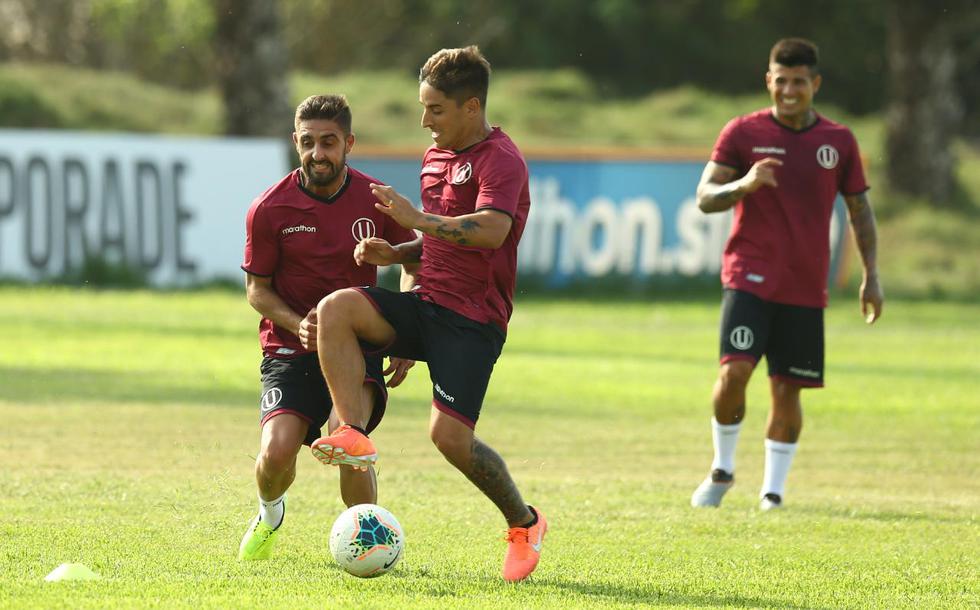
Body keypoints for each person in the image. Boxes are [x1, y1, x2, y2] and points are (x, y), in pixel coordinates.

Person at [307, 46, 547, 582]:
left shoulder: (501, 160)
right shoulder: (434, 157)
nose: (425, 120)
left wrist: (415, 220)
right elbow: (438, 238)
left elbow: (489, 231)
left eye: (435, 109)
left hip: (472, 321)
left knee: (449, 440)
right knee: (336, 310)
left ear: (471, 106)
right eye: (423, 107)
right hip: (427, 304)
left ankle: (524, 523)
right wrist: (397, 256)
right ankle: (351, 430)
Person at [690, 38, 884, 511]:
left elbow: (859, 210)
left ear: (814, 83)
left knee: (787, 389)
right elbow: (705, 196)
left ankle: (773, 494)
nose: (790, 90)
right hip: (749, 276)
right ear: (769, 82)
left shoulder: (838, 142)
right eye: (782, 81)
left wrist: (871, 275)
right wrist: (745, 183)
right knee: (735, 371)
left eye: (800, 82)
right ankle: (722, 467)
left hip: (804, 284)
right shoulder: (741, 132)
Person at [238, 94, 419, 560]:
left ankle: (370, 544)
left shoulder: (378, 200)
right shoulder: (269, 209)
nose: (318, 154)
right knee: (276, 456)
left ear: (349, 144)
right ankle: (270, 511)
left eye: (329, 143)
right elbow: (257, 290)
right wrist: (300, 326)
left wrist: (407, 325)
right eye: (308, 143)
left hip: (356, 350)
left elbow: (415, 256)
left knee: (349, 440)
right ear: (296, 143)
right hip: (289, 350)